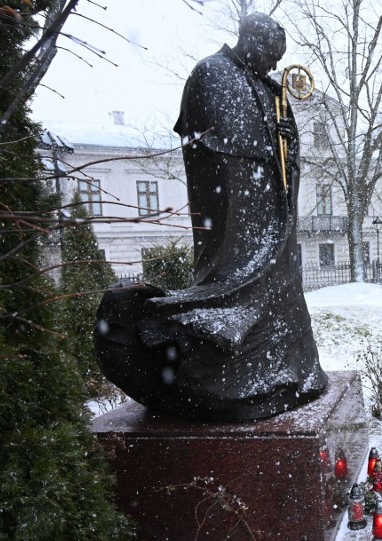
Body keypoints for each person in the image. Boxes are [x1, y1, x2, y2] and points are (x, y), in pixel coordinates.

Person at [95, 14, 328, 421]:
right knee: (234, 273)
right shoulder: (211, 72)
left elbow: (281, 147)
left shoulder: (266, 85)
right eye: (271, 56)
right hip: (233, 201)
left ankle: (285, 369)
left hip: (268, 203)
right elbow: (209, 141)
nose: (274, 66)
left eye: (279, 59)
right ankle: (214, 359)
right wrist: (262, 151)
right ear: (251, 41)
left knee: (280, 280)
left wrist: (287, 140)